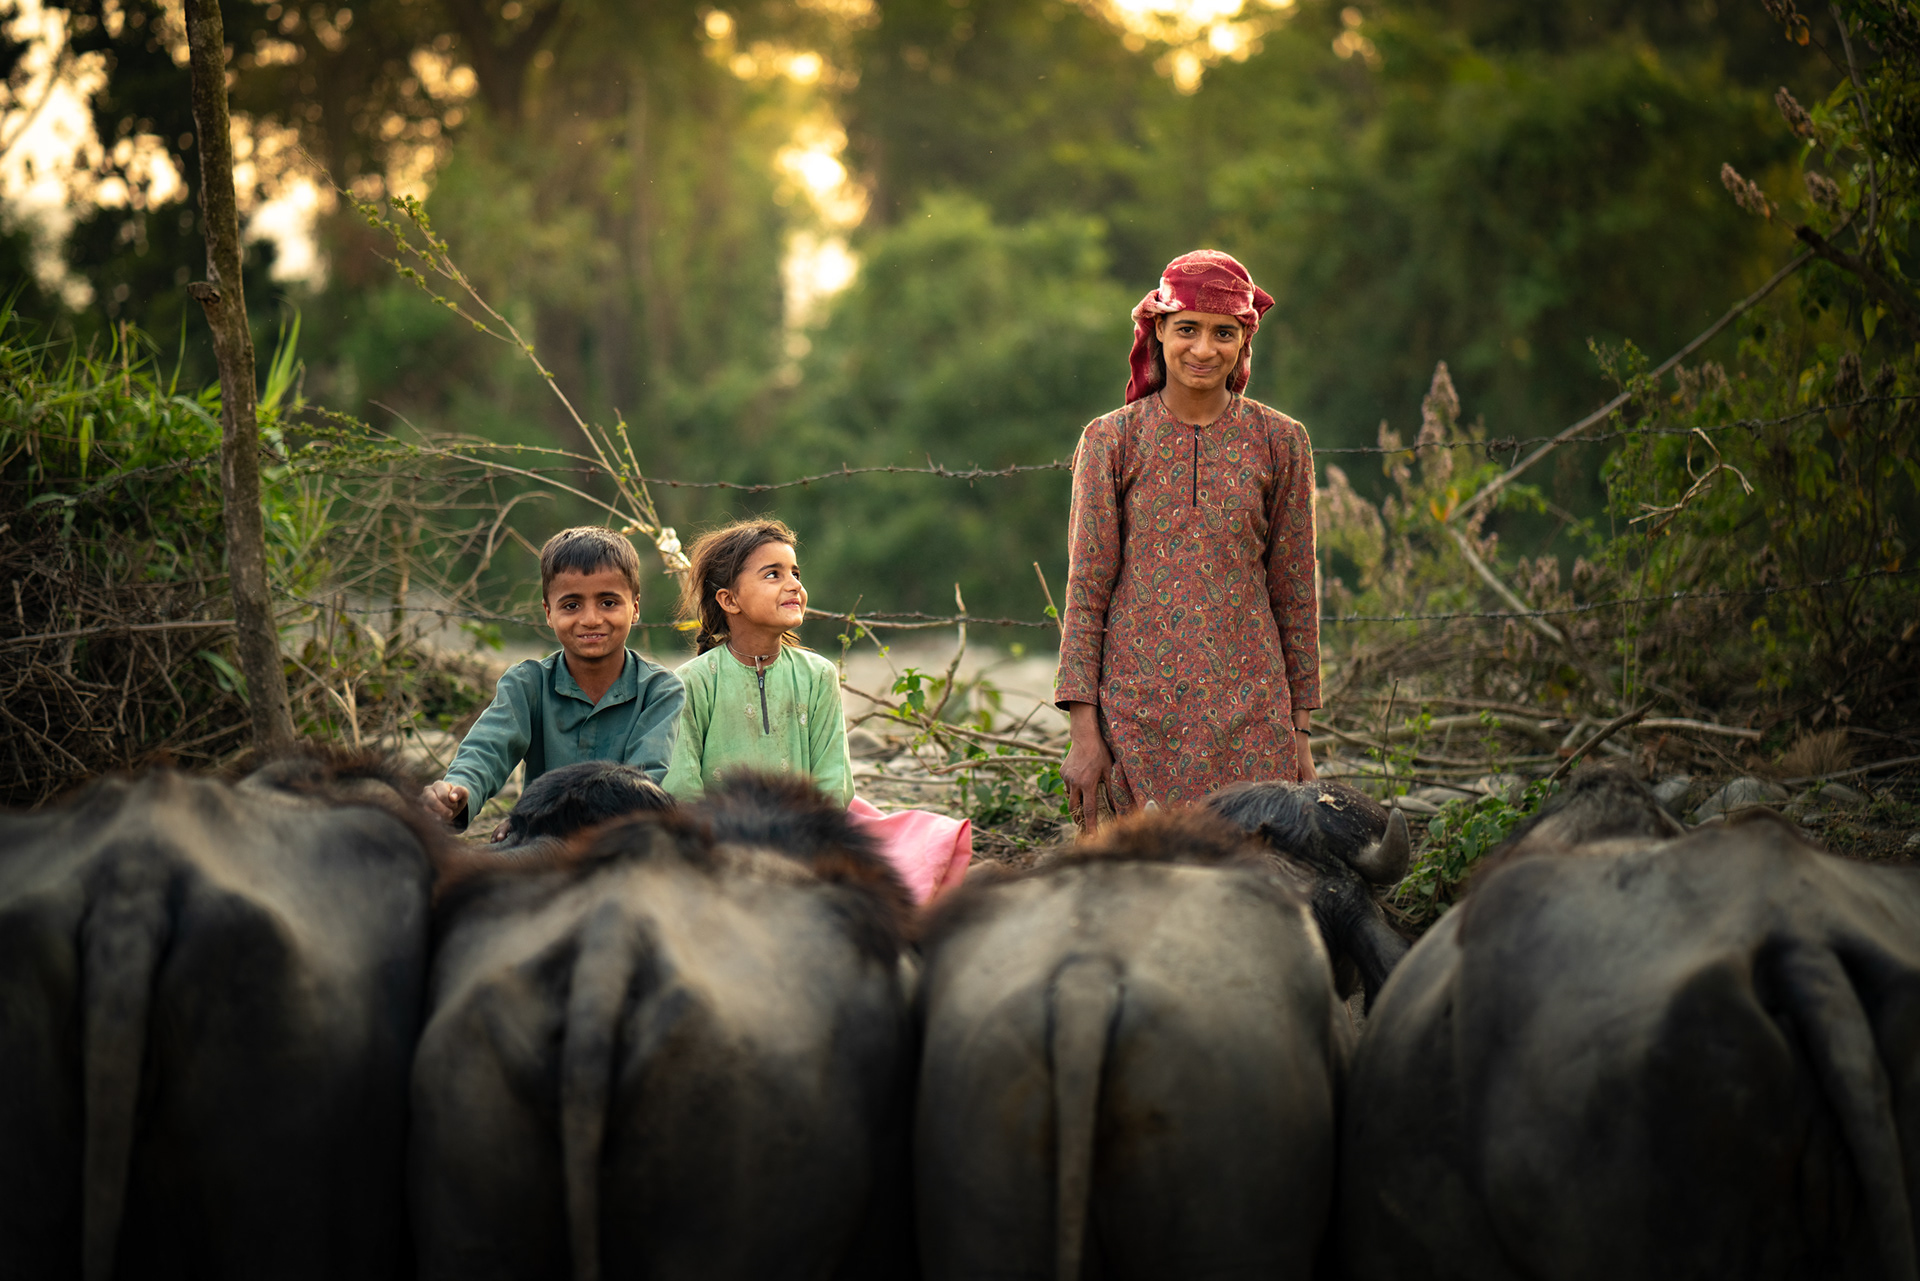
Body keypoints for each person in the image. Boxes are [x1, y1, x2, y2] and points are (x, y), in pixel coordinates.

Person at [1056, 249, 1320, 833]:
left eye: (1224, 332)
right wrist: (1084, 733)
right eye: (1187, 329)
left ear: (1244, 340)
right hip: (1137, 719)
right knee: (1146, 877)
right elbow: (1087, 592)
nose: (1204, 349)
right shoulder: (1111, 441)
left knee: (1253, 873)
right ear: (1158, 330)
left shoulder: (1281, 442)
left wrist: (1299, 733)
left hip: (1254, 719)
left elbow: (1295, 593)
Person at [664, 518, 970, 903]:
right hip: (717, 846)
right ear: (729, 600)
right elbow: (682, 786)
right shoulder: (692, 682)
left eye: (795, 573)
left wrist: (808, 840)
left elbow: (832, 780)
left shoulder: (817, 675)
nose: (794, 584)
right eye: (773, 574)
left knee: (919, 851)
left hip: (806, 840)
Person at [422, 526, 685, 831]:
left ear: (635, 608)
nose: (591, 619)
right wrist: (457, 791)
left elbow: (640, 785)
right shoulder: (527, 684)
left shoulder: (660, 691)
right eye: (571, 605)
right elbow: (487, 749)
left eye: (608, 603)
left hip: (623, 838)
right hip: (540, 839)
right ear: (548, 612)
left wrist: (537, 818)